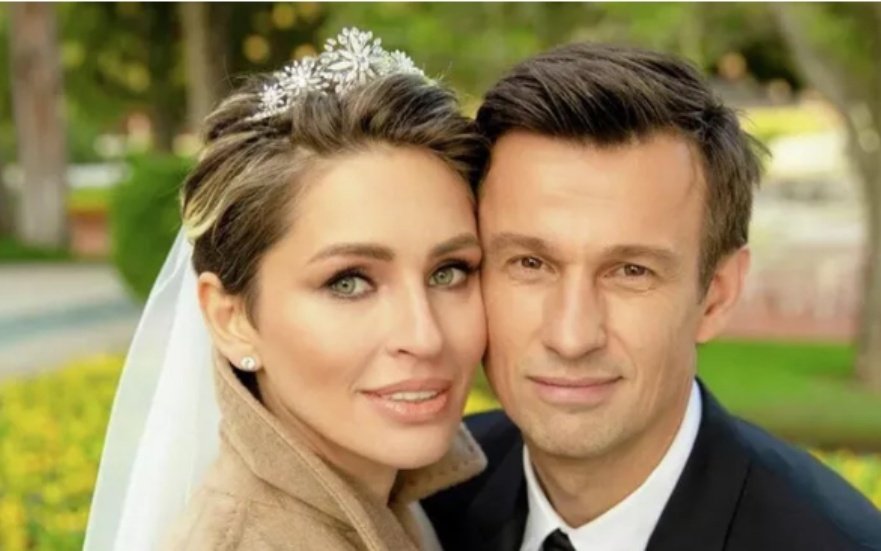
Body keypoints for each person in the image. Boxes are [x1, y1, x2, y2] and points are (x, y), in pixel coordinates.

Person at [423, 43, 881, 551]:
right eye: (530, 263)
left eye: (631, 271)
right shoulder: (424, 500)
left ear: (717, 296)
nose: (572, 336)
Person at [84, 28, 488, 551]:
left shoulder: (401, 503)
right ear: (232, 320)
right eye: (349, 282)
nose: (424, 336)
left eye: (449, 272)